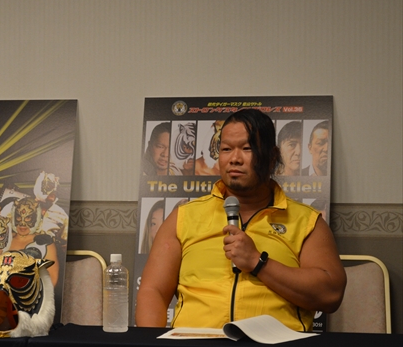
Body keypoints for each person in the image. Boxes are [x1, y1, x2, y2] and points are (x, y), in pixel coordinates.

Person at [136, 110, 346, 332]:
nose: (234, 159)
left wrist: (258, 263)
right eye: (226, 149)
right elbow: (153, 291)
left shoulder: (307, 222)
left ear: (272, 157)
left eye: (247, 148)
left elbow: (331, 294)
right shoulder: (183, 217)